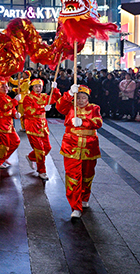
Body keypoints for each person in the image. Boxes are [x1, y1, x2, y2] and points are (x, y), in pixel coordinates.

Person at [55, 84, 103, 219]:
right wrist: (69, 93)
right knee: (73, 176)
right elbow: (59, 106)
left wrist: (83, 122)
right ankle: (75, 206)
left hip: (89, 147)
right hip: (71, 146)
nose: (81, 100)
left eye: (83, 97)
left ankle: (84, 197)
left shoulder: (94, 108)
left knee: (88, 175)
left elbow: (98, 122)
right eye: (78, 97)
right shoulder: (70, 107)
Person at [23, 78, 61, 180]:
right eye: (36, 86)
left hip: (43, 126)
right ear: (32, 87)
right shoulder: (28, 98)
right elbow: (28, 111)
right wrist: (42, 109)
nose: (38, 88)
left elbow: (55, 98)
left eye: (40, 86)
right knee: (40, 149)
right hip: (32, 125)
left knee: (47, 148)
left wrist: (55, 88)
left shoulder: (44, 97)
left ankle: (31, 157)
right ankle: (42, 171)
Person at [0, 78, 21, 169]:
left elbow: (11, 109)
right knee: (4, 144)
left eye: (6, 86)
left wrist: (16, 114)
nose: (5, 88)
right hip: (1, 125)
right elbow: (5, 107)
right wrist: (15, 101)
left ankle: (4, 157)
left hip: (9, 125)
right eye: (2, 86)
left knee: (16, 141)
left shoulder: (7, 97)